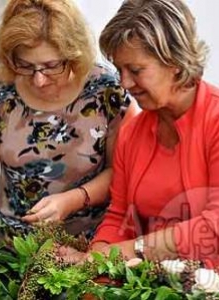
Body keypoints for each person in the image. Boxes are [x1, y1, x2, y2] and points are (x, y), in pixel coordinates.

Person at [0, 0, 136, 249]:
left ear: (73, 54)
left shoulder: (108, 91)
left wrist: (73, 200)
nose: (39, 80)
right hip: (13, 247)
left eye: (52, 66)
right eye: (26, 66)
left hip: (92, 247)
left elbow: (123, 172)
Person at [59, 0, 219, 269]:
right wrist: (93, 261)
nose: (124, 83)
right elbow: (118, 218)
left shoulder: (214, 120)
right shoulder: (131, 133)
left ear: (175, 62)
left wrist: (133, 250)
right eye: (120, 70)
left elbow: (214, 228)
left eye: (135, 70)